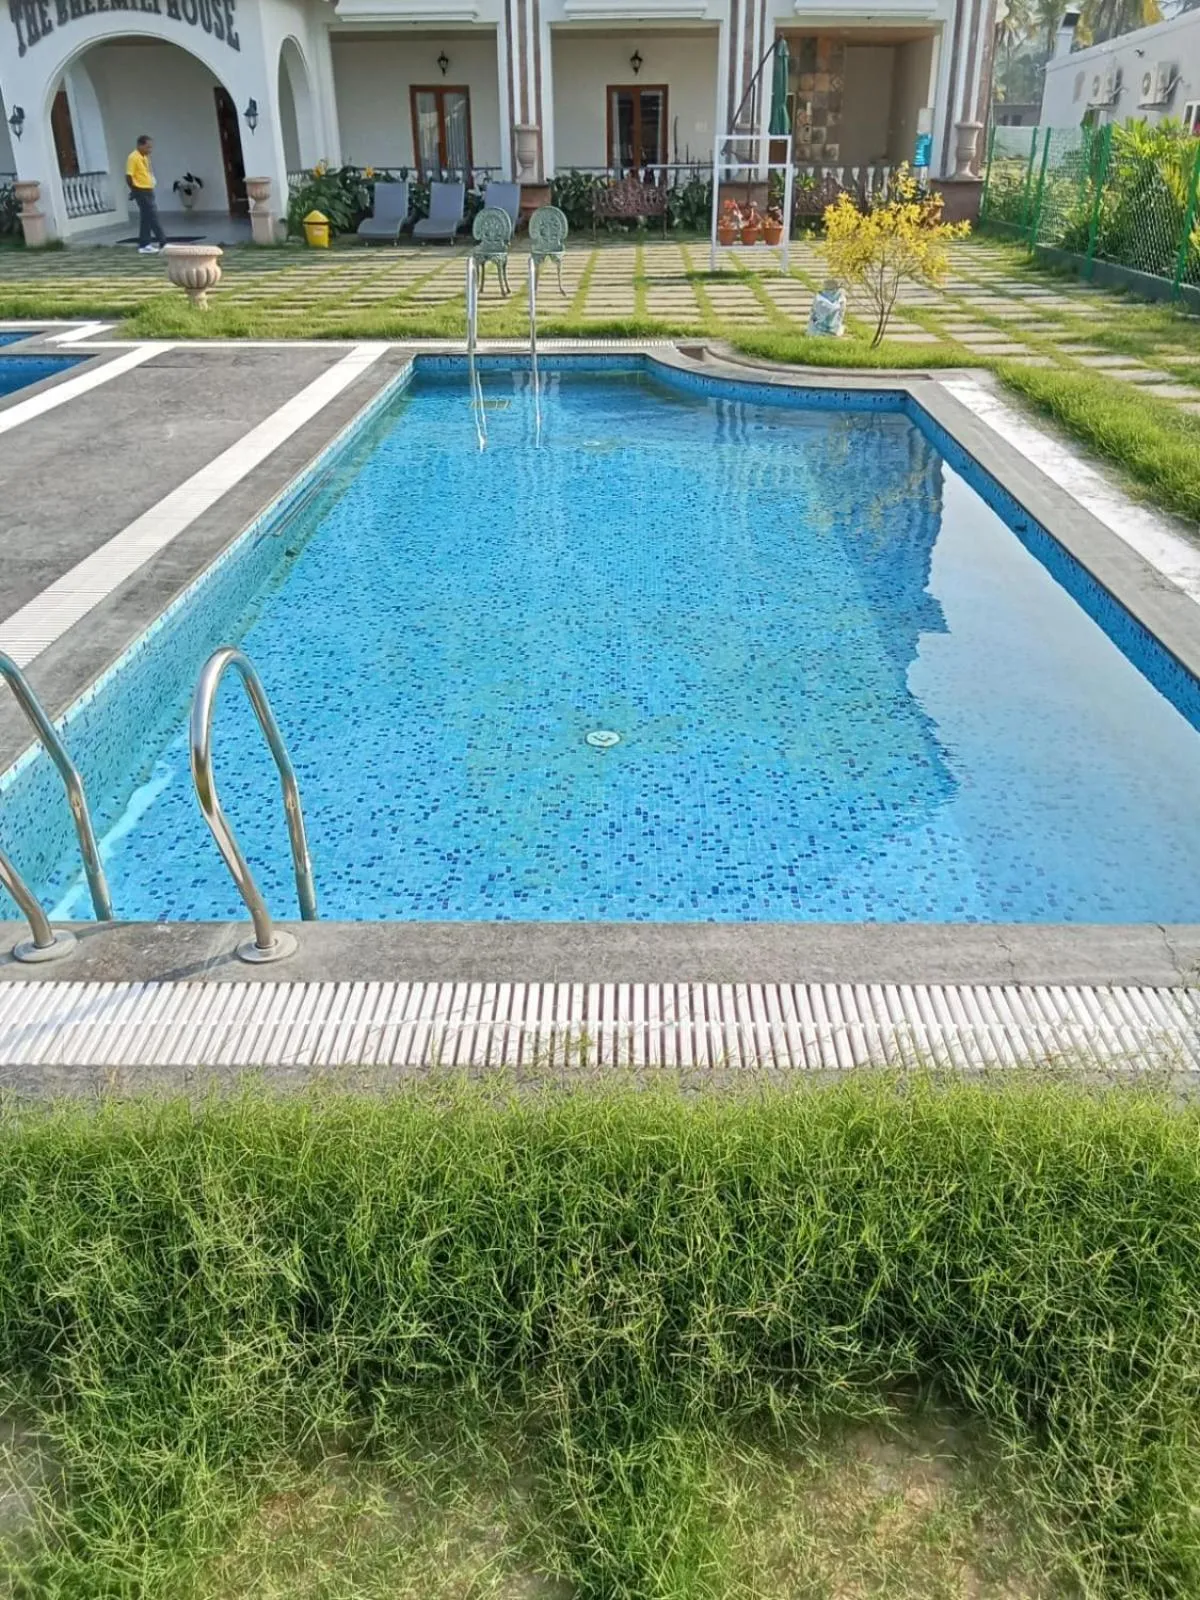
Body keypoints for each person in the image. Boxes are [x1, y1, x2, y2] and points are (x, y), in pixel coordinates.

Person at [126, 135, 166, 255]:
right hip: (141, 190)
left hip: (148, 189)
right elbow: (128, 176)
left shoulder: (145, 157)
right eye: (147, 147)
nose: (150, 150)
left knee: (146, 218)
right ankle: (163, 241)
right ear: (140, 145)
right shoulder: (133, 157)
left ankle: (144, 244)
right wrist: (134, 190)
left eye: (151, 147)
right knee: (152, 215)